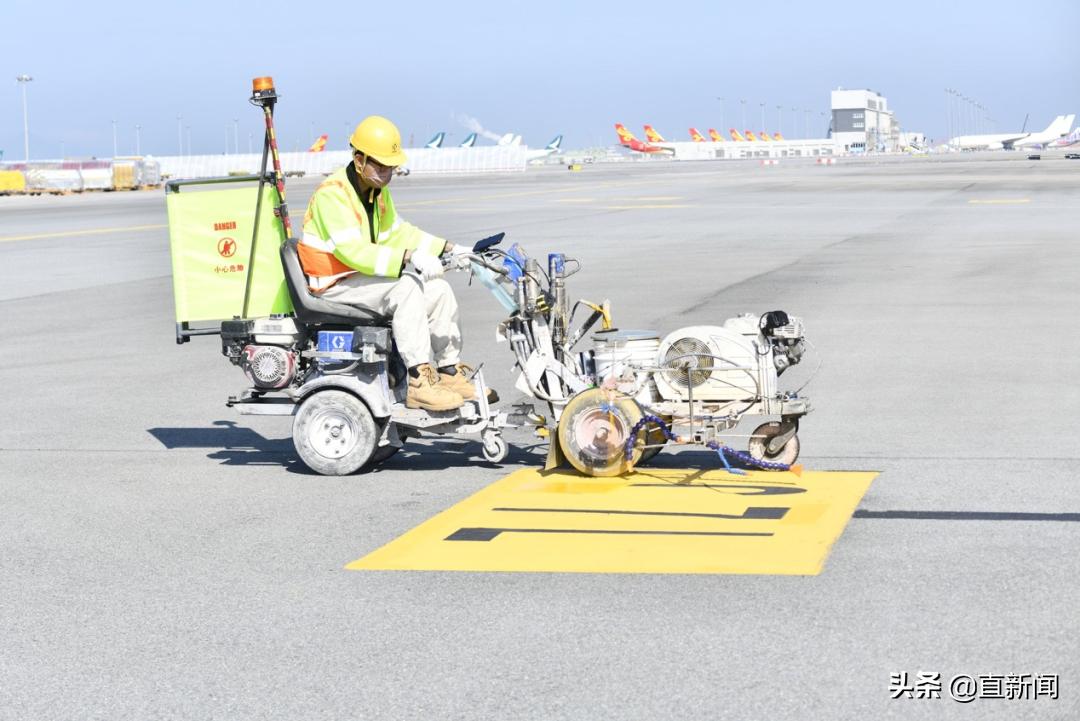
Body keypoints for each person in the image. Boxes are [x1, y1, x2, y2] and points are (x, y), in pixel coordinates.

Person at [298, 116, 493, 412]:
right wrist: (409, 257)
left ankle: (449, 372)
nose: (387, 172)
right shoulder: (333, 195)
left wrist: (454, 249)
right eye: (380, 165)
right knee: (406, 287)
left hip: (359, 280)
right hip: (333, 285)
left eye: (391, 165)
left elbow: (402, 233)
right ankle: (418, 382)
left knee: (438, 289)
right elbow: (354, 252)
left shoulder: (377, 193)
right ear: (358, 159)